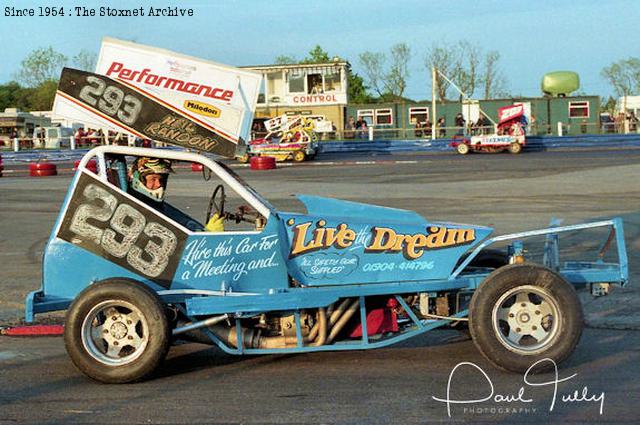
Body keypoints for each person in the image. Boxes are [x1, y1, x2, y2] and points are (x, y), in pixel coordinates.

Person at [128, 156, 225, 231]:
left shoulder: (158, 206)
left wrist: (203, 232)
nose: (159, 184)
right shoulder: (133, 207)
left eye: (161, 179)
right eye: (153, 179)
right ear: (138, 179)